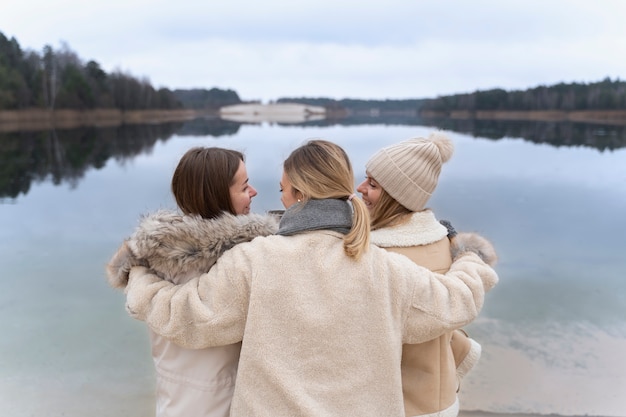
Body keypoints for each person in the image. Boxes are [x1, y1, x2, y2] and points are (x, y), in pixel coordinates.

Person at [123, 139, 499, 417]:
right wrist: (470, 257)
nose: (277, 196)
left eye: (283, 190)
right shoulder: (383, 267)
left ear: (299, 194)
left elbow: (185, 317)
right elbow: (455, 301)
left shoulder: (255, 260)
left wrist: (138, 274)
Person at [106, 147, 279, 417]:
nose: (254, 192)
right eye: (244, 187)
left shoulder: (157, 256)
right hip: (217, 403)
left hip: (174, 401)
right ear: (218, 196)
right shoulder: (235, 260)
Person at [357, 131, 496, 417]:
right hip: (440, 397)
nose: (359, 188)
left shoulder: (378, 254)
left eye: (372, 184)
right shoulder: (444, 242)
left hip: (399, 404)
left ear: (397, 195)